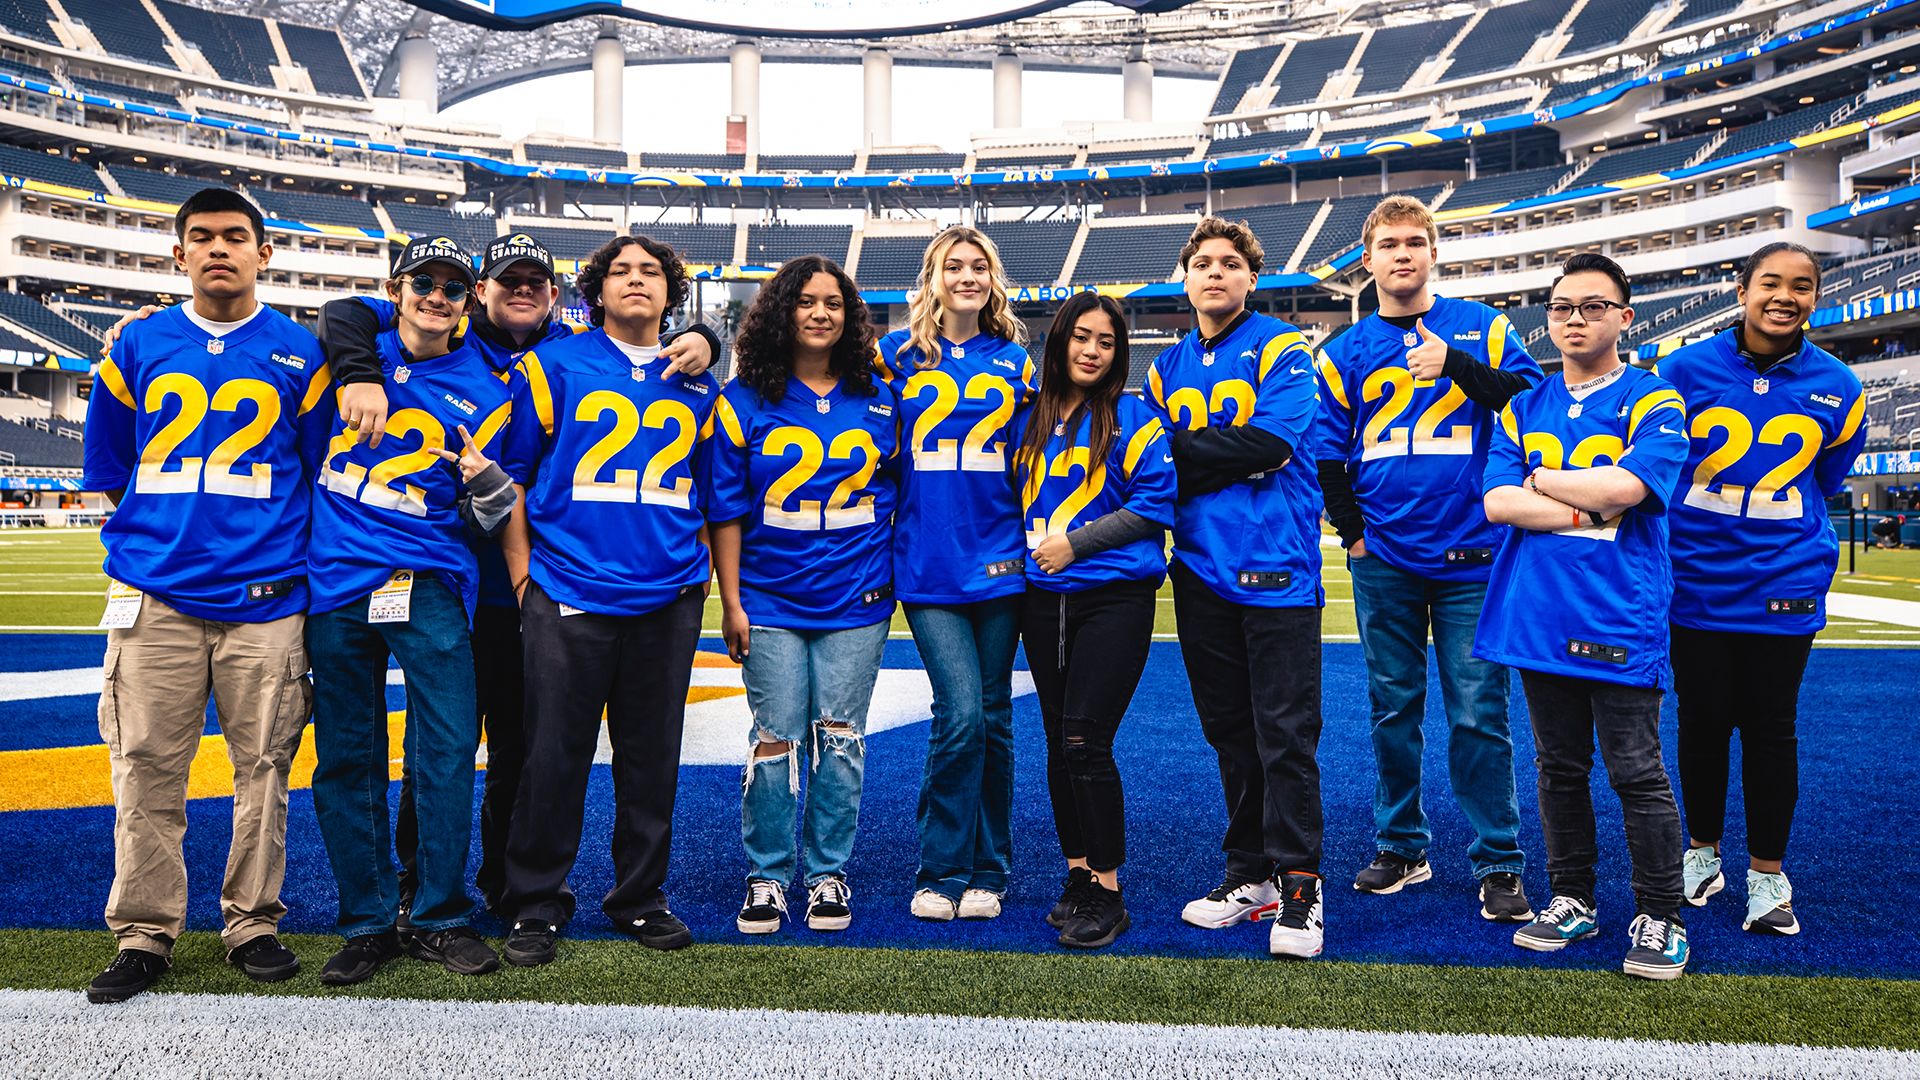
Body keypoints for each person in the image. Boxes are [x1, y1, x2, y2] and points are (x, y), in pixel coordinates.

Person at [316, 233, 716, 915]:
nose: (522, 292)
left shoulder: (560, 353)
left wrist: (703, 332)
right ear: (482, 292)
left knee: (521, 753)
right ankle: (421, 884)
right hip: (453, 584)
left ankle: (506, 887)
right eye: (507, 282)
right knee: (435, 749)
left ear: (557, 297)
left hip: (527, 596)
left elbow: (641, 333)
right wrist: (357, 369)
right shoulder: (434, 325)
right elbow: (342, 314)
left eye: (536, 282)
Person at [80, 187, 330, 1003]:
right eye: (201, 237)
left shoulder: (302, 352)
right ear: (178, 255)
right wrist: (163, 546)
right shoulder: (138, 344)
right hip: (157, 595)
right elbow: (113, 473)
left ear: (265, 253)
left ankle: (252, 920)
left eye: (235, 236)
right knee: (146, 766)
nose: (218, 248)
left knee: (265, 766)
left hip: (267, 596)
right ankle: (145, 932)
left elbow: (321, 472)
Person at [495, 235, 719, 966]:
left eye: (650, 272)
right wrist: (525, 570)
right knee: (551, 754)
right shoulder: (551, 365)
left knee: (650, 757)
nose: (635, 281)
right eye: (619, 270)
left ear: (670, 292)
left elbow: (714, 495)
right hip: (568, 586)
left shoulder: (701, 380)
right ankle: (535, 900)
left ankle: (639, 897)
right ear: (594, 290)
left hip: (669, 590)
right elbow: (513, 475)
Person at [1315, 195, 1539, 920]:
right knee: (1393, 710)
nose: (1403, 255)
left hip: (1473, 554)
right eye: (1389, 245)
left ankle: (1498, 858)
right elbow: (1326, 456)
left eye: (1416, 242)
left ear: (1435, 252)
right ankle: (1401, 844)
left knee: (1478, 710)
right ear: (1370, 259)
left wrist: (1460, 365)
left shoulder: (1485, 327)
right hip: (1386, 556)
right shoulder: (1344, 350)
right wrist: (1354, 535)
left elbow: (1533, 403)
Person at [304, 236, 516, 985]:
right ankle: (365, 921)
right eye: (423, 282)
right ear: (396, 289)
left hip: (426, 576)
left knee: (448, 747)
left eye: (453, 289)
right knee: (347, 754)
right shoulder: (339, 353)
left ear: (468, 303)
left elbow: (498, 509)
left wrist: (485, 483)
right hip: (333, 578)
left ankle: (436, 914)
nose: (437, 296)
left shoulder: (494, 390)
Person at [1478, 253, 1693, 981]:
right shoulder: (1523, 404)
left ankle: (1661, 914)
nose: (1575, 317)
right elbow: (1498, 503)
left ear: (1623, 318)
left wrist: (1544, 481)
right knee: (1558, 767)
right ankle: (1571, 897)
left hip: (1618, 609)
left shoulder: (1654, 397)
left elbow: (1633, 485)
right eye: (1563, 306)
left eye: (1592, 306)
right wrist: (1584, 499)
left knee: (1636, 770)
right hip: (1538, 610)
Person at [1659, 242, 1866, 936]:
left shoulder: (1841, 385)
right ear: (1741, 289)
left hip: (1784, 575)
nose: (1786, 296)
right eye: (1771, 283)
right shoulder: (1682, 369)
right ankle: (1701, 852)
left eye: (1802, 286)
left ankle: (1768, 876)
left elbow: (1825, 481)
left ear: (1816, 297)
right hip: (1696, 575)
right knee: (1702, 720)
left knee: (1772, 729)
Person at [1144, 216, 1328, 958]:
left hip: (1275, 564)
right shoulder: (1166, 366)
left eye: (1230, 263)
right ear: (1185, 279)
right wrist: (1224, 458)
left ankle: (1302, 886)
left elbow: (1273, 442)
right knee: (1229, 732)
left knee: (1285, 733)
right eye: (1202, 263)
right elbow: (1157, 470)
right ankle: (1249, 872)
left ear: (1252, 278)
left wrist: (1192, 455)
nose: (1215, 273)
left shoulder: (1282, 346)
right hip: (1197, 568)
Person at [706, 256, 899, 934]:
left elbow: (901, 490)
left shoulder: (881, 394)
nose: (821, 313)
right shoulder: (744, 399)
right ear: (782, 311)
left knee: (841, 739)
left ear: (850, 317)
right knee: (774, 739)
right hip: (771, 598)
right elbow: (726, 511)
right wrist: (731, 602)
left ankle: (827, 875)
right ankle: (766, 875)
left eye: (834, 303)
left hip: (859, 595)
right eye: (807, 301)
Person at [875, 225, 1035, 922]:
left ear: (992, 280)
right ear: (933, 279)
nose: (966, 276)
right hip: (927, 560)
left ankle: (989, 870)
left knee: (995, 718)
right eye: (953, 266)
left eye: (978, 266)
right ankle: (940, 867)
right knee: (961, 712)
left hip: (1002, 556)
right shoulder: (892, 357)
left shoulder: (1018, 362)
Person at [1012, 292, 1175, 949]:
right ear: (1059, 342)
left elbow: (1154, 505)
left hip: (1113, 597)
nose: (1091, 350)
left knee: (1085, 740)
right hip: (1040, 599)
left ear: (1119, 353)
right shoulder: (1030, 417)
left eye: (1105, 342)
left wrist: (1075, 544)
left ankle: (1109, 889)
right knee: (1058, 743)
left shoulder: (1134, 417)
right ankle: (1077, 875)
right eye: (1081, 337)